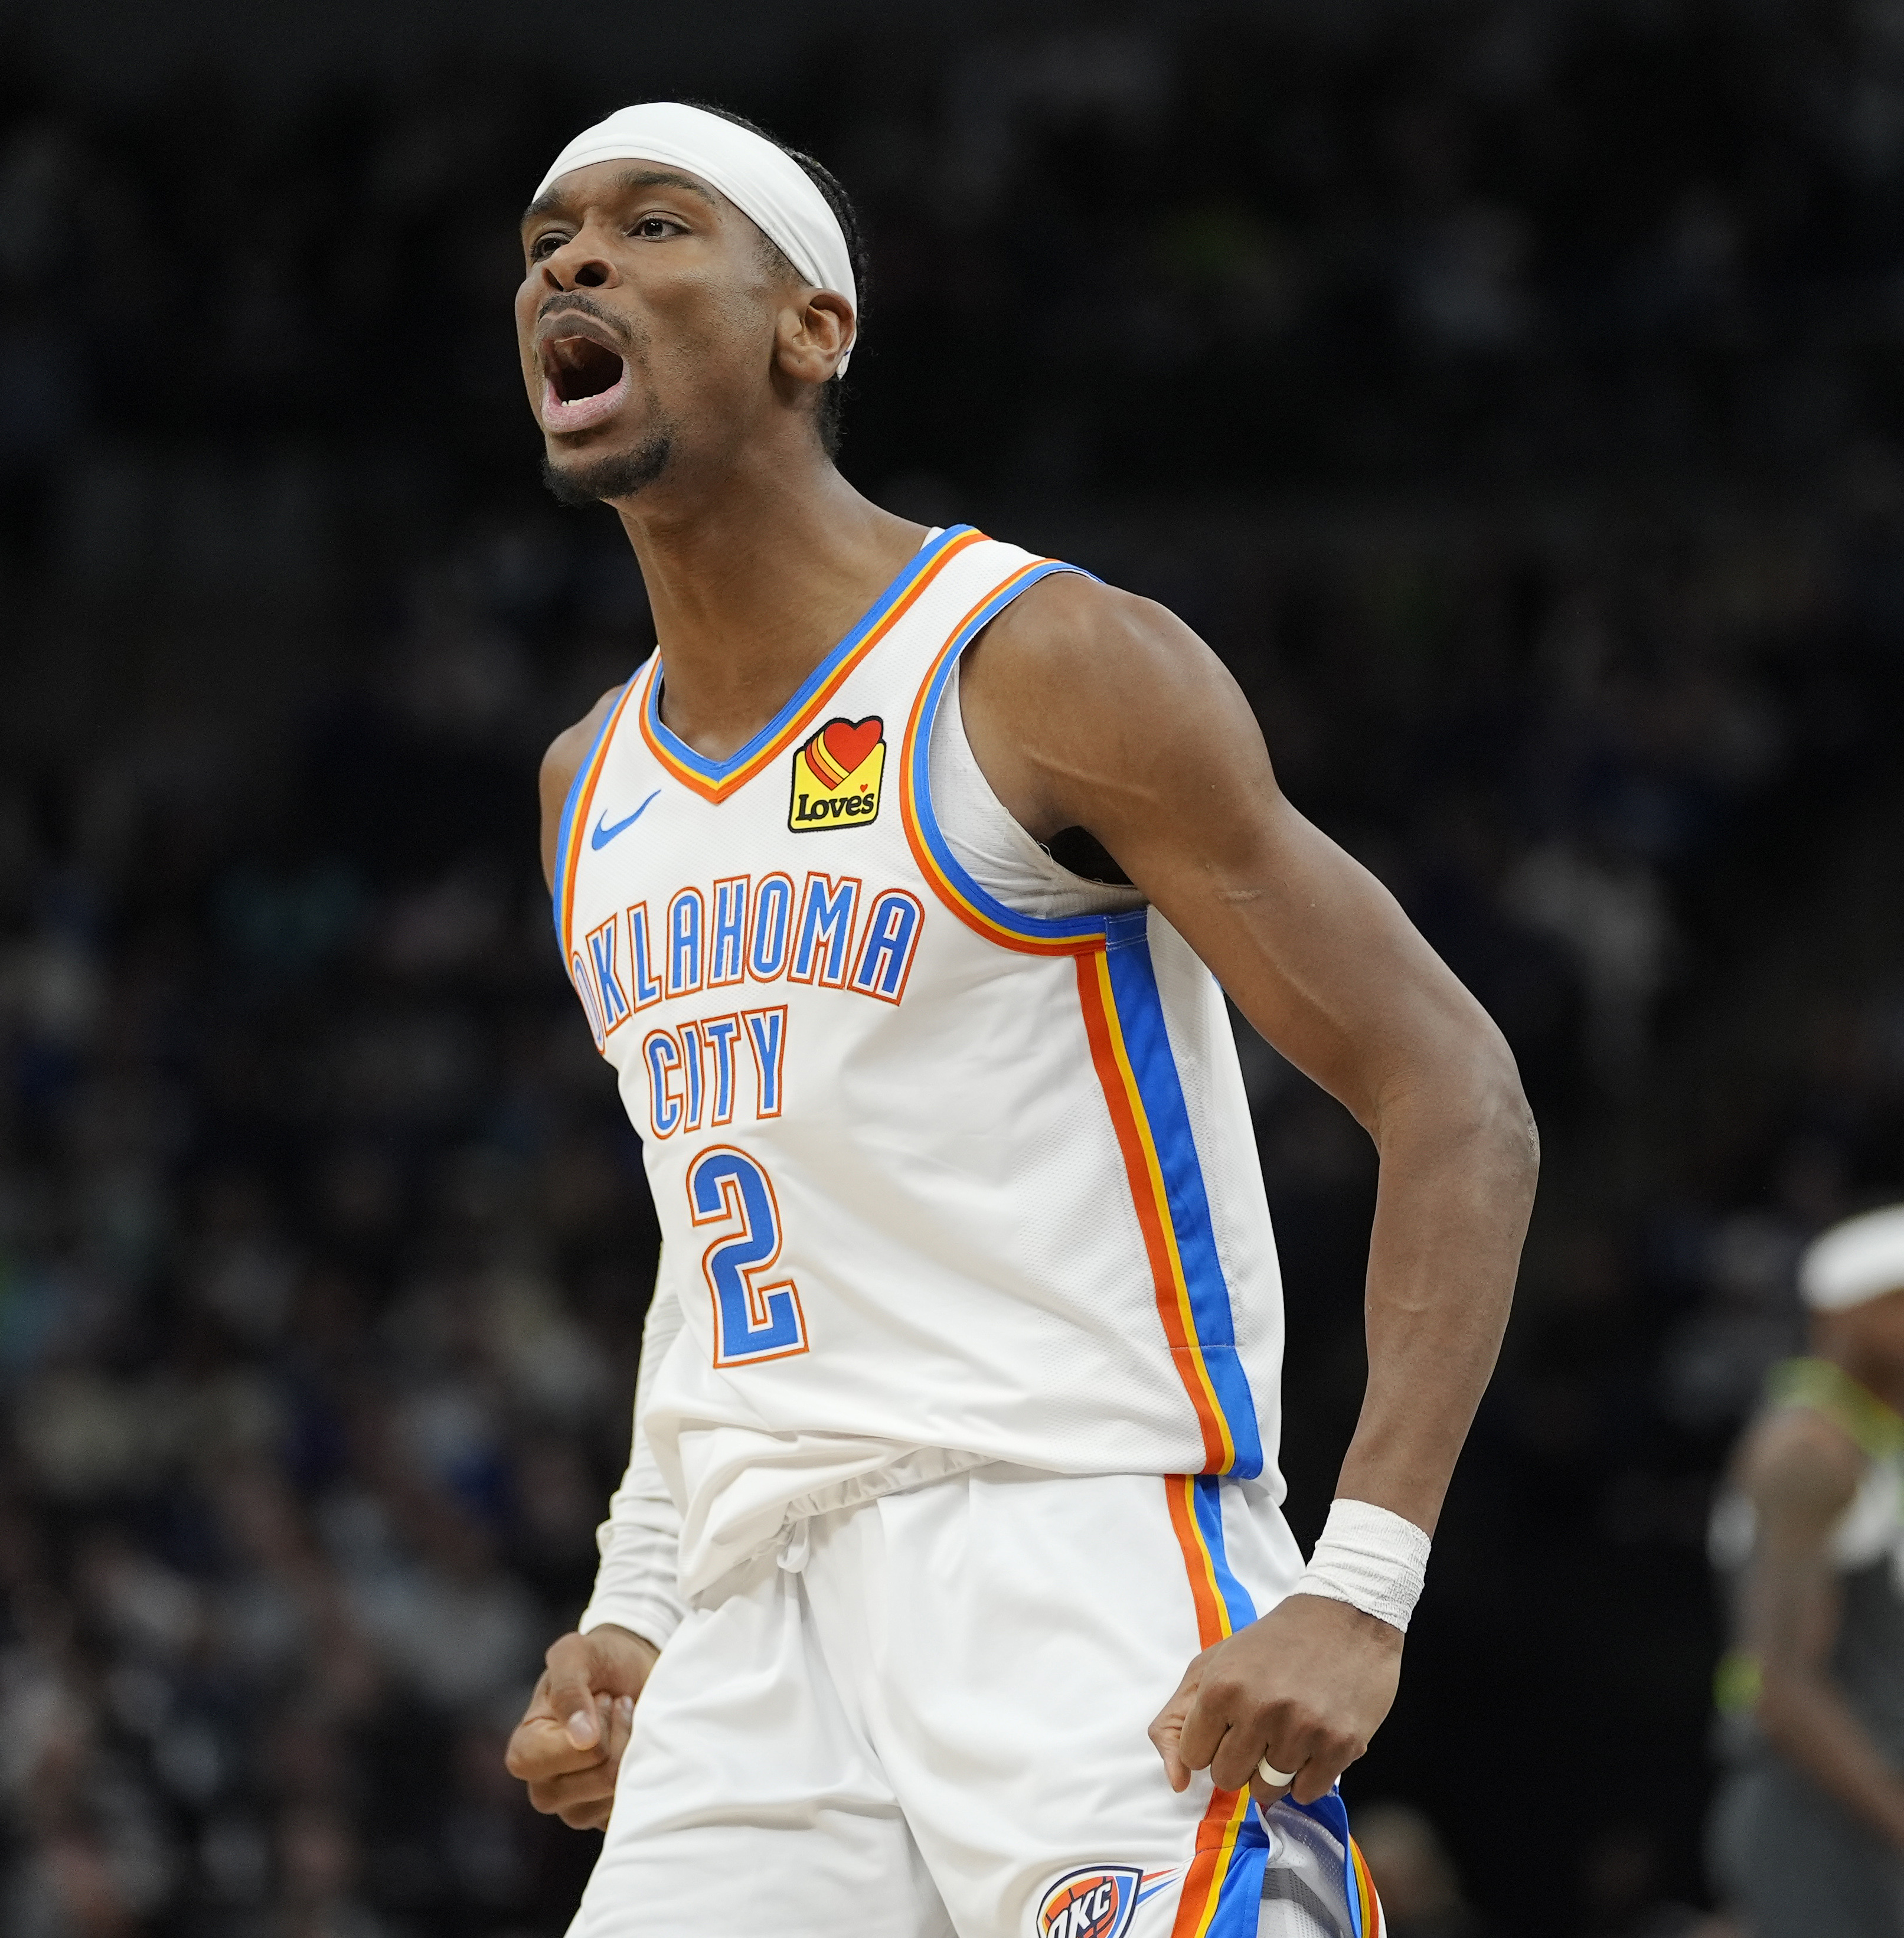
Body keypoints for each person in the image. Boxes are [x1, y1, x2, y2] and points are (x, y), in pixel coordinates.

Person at [499, 102, 1539, 1937]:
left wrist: (1360, 1579)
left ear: (812, 325)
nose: (571, 261)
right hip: (755, 1631)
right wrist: (637, 1596)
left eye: (652, 225)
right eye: (546, 241)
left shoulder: (1037, 663)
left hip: (1074, 1547)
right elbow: (720, 1224)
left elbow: (1454, 1087)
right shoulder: (591, 784)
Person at [1707, 1202, 1904, 1937]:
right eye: (1899, 1301)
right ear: (1834, 1314)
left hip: (1862, 1813)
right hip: (1808, 1813)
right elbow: (1784, 1691)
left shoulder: (1882, 1451)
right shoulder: (1809, 1453)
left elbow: (1874, 1688)